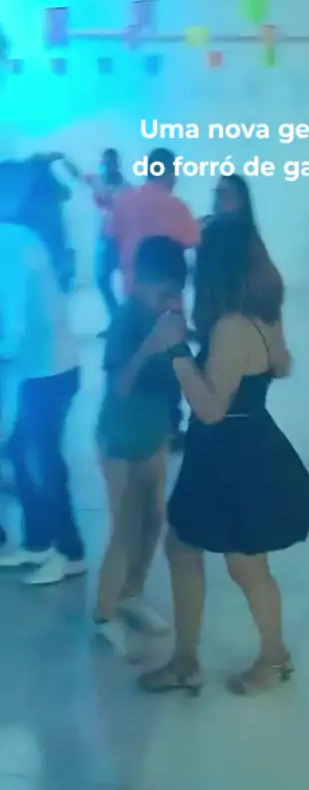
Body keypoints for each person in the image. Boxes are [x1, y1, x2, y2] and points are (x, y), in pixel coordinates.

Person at [126, 223, 309, 696]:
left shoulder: (233, 326)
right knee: (184, 547)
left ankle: (274, 657)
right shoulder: (263, 313)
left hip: (232, 454)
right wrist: (209, 347)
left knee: (245, 566)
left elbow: (210, 410)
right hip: (246, 442)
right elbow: (282, 365)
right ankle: (186, 660)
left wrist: (178, 350)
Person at [94, 237, 187, 657]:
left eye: (175, 292)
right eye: (164, 292)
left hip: (153, 431)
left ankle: (131, 595)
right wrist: (152, 345)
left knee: (153, 520)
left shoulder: (166, 316)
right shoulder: (127, 319)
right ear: (141, 281)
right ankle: (104, 613)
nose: (170, 300)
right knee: (126, 526)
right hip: (120, 436)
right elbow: (121, 386)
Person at [0, 161, 85, 585]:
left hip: (46, 370)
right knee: (23, 452)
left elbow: (12, 323)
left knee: (45, 462)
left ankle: (70, 551)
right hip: (49, 367)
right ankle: (37, 543)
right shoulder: (20, 236)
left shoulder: (9, 241)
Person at [110, 147, 200, 452]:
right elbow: (194, 240)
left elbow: (111, 235)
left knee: (134, 358)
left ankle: (133, 421)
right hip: (167, 302)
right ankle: (170, 429)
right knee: (170, 364)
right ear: (170, 172)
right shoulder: (176, 207)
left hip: (133, 295)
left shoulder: (125, 201)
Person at [62, 149, 129, 333]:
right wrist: (65, 159)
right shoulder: (99, 181)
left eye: (109, 163)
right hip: (107, 239)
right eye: (104, 163)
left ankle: (125, 321)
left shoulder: (126, 188)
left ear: (116, 164)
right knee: (103, 280)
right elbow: (79, 176)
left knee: (128, 282)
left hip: (123, 240)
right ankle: (117, 319)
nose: (106, 166)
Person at [23, 153, 75, 292]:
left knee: (51, 257)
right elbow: (66, 193)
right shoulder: (49, 181)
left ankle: (56, 283)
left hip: (42, 230)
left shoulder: (33, 185)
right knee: (57, 255)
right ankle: (61, 283)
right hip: (53, 227)